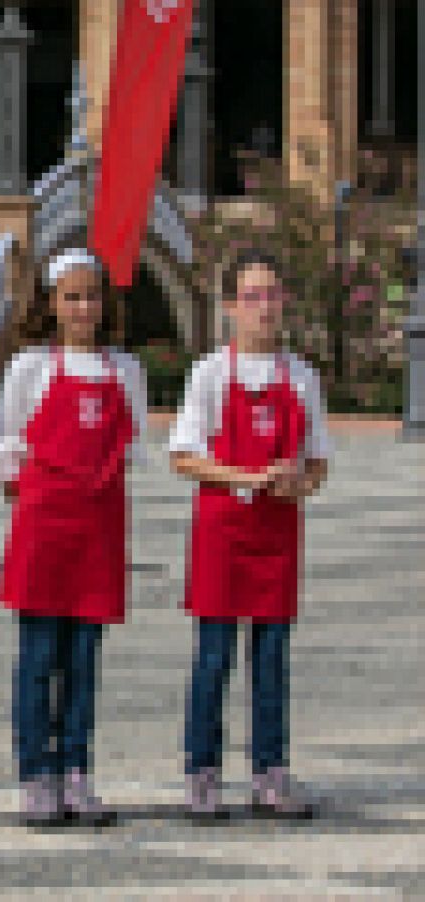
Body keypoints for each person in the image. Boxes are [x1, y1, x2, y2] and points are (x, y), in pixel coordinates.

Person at [171, 249, 332, 821]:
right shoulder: (212, 372)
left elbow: (318, 463)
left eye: (273, 295)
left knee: (272, 659)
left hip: (277, 532)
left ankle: (270, 772)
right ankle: (202, 772)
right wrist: (248, 476)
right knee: (213, 659)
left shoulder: (301, 376)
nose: (265, 307)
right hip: (223, 530)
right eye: (253, 296)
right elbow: (185, 457)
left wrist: (299, 485)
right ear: (232, 306)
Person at [0, 248, 149, 828]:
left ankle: (77, 770)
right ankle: (36, 773)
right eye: (73, 297)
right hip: (43, 527)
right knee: (37, 658)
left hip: (99, 530)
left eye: (93, 296)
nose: (85, 307)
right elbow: (9, 445)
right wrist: (37, 500)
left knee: (84, 659)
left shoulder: (124, 369)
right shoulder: (30, 367)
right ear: (52, 304)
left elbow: (131, 444)